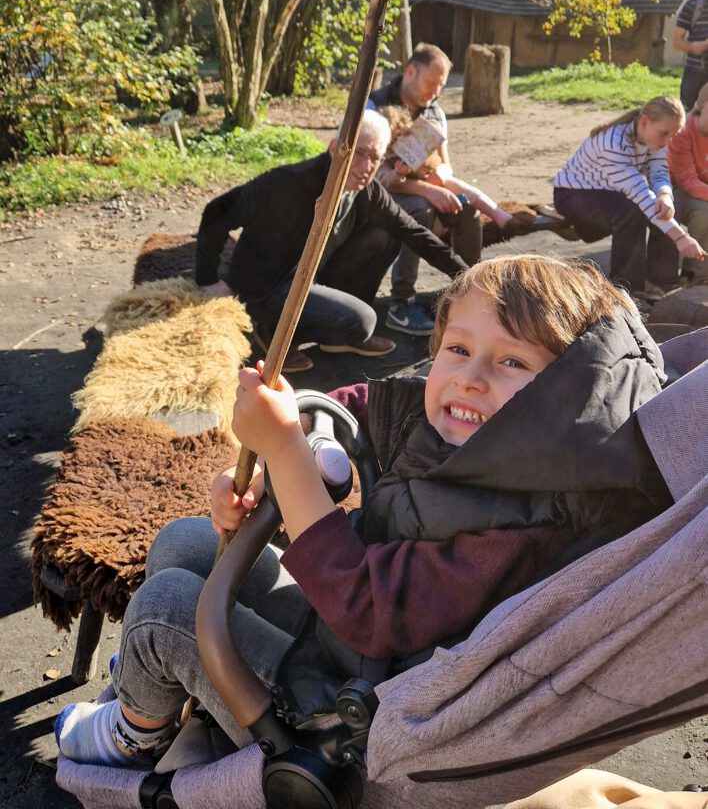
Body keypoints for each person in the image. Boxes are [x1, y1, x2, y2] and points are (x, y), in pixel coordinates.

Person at [56, 254, 672, 768]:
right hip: (336, 647)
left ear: (563, 395)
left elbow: (371, 614)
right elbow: (362, 404)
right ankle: (151, 683)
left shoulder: (528, 522)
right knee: (187, 543)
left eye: (513, 362)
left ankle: (136, 732)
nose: (471, 379)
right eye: (456, 348)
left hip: (348, 711)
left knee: (165, 613)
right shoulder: (466, 426)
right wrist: (288, 438)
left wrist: (289, 457)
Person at [194, 109, 467, 373]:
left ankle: (334, 334)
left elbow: (413, 231)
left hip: (312, 276)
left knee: (386, 237)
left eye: (375, 158)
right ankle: (272, 330)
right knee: (363, 321)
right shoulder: (288, 182)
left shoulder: (368, 190)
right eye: (359, 153)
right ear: (335, 147)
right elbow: (217, 211)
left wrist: (467, 277)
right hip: (269, 286)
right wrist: (208, 279)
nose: (365, 167)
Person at [370, 43, 506, 336]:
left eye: (441, 85)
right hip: (382, 191)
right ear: (409, 72)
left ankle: (467, 290)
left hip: (425, 183)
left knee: (465, 207)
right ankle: (402, 303)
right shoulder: (374, 106)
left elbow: (447, 166)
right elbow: (372, 176)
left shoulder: (435, 112)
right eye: (431, 83)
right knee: (420, 210)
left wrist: (439, 180)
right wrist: (428, 191)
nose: (436, 92)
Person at [552, 96, 706, 300]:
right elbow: (639, 194)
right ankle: (627, 288)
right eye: (664, 134)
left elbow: (659, 171)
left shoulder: (654, 138)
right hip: (575, 194)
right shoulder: (612, 144)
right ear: (644, 122)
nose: (668, 141)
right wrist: (681, 237)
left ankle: (661, 282)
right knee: (632, 211)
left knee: (672, 204)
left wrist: (665, 194)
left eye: (673, 135)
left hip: (614, 191)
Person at [667, 81, 708, 283]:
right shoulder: (683, 132)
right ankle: (694, 273)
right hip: (677, 189)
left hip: (703, 188)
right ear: (702, 106)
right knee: (704, 212)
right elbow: (688, 182)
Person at [672, 0, 708, 112]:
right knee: (688, 115)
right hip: (696, 72)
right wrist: (693, 47)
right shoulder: (694, 4)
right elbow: (677, 41)